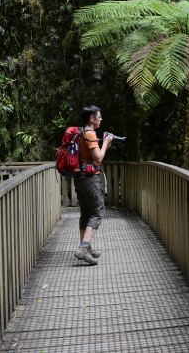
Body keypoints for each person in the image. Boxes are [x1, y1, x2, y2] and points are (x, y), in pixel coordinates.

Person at [73, 105, 113, 265]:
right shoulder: (90, 133)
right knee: (97, 212)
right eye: (99, 116)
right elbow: (98, 158)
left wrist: (103, 143)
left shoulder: (81, 132)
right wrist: (106, 143)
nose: (101, 119)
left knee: (86, 213)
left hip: (80, 177)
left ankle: (86, 248)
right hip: (90, 178)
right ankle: (83, 249)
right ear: (92, 118)